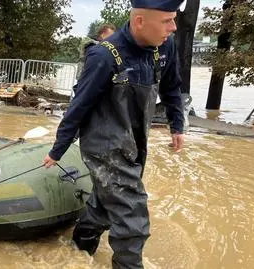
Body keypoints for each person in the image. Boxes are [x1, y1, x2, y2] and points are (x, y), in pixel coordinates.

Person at [43, 0, 186, 268]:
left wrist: (177, 124)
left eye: (173, 19)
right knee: (133, 218)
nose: (174, 27)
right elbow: (79, 105)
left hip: (135, 141)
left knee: (105, 206)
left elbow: (172, 86)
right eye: (167, 20)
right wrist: (58, 149)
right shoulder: (104, 56)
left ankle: (77, 250)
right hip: (104, 146)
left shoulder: (164, 47)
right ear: (140, 21)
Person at [73, 24, 116, 98]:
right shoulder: (90, 44)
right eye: (110, 36)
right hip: (86, 81)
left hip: (94, 82)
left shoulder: (104, 47)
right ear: (103, 34)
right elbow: (97, 56)